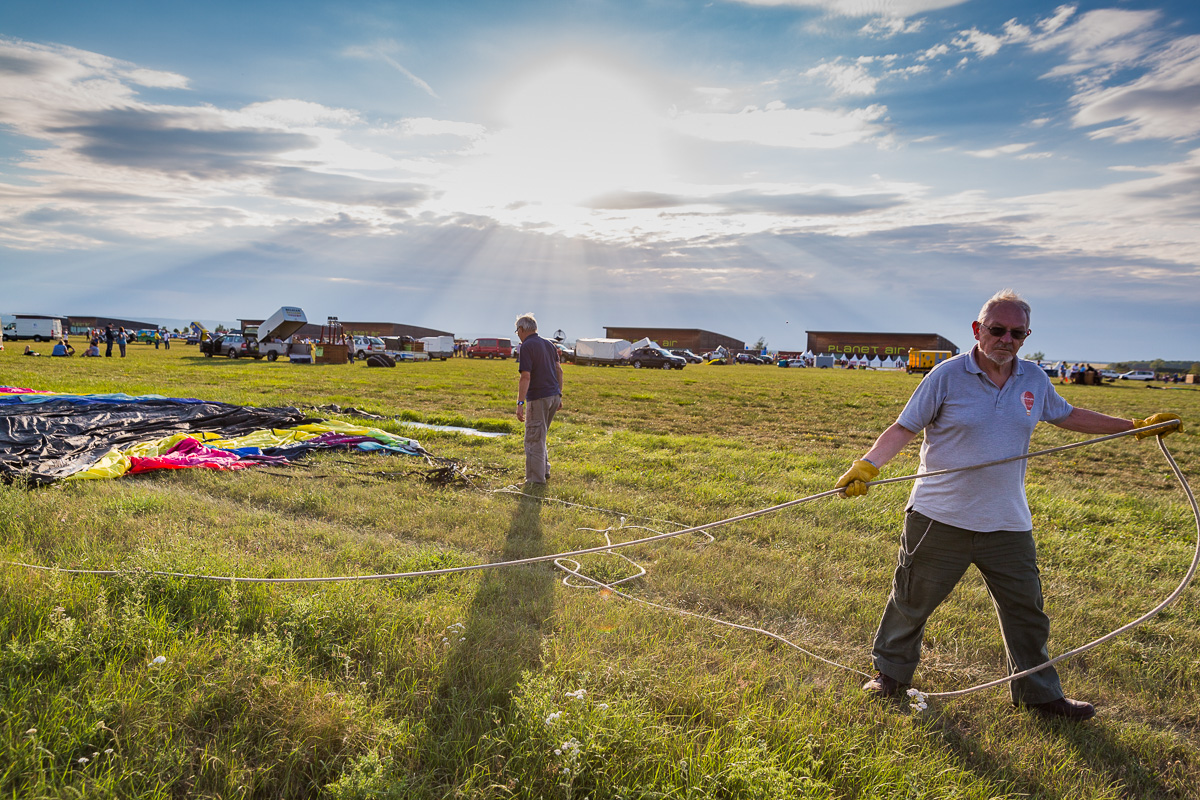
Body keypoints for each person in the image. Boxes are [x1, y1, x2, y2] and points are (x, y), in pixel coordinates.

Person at [835, 289, 1182, 721]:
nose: (1007, 339)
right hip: (939, 516)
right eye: (997, 330)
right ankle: (890, 677)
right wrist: (867, 466)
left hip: (1007, 521)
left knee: (1026, 611)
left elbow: (1067, 414)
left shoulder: (1033, 378)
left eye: (1018, 332)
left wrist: (1134, 428)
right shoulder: (945, 375)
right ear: (978, 330)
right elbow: (904, 427)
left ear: (1026, 335)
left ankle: (1039, 694)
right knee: (911, 601)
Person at [514, 312, 563, 484]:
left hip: (538, 397)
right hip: (553, 396)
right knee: (540, 435)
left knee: (534, 437)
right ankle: (545, 470)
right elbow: (559, 370)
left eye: (517, 331)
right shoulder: (549, 344)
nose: (518, 335)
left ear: (521, 329)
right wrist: (559, 394)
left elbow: (525, 377)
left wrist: (520, 403)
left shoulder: (527, 346)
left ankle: (535, 480)